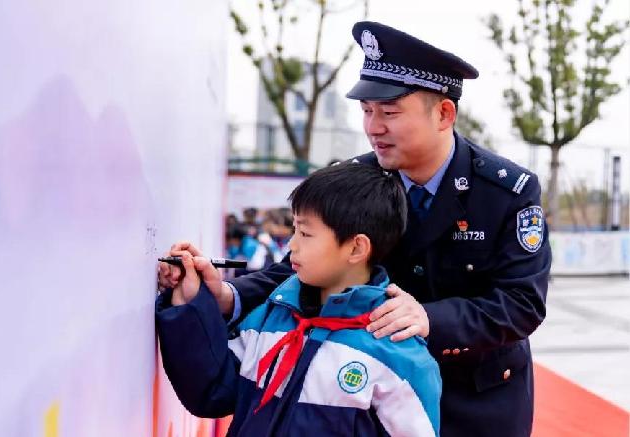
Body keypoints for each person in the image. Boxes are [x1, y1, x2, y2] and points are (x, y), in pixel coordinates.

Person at [159, 21, 551, 437]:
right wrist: (229, 296)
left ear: (444, 113)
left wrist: (429, 318)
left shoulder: (504, 192)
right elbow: (302, 265)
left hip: (475, 403)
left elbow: (521, 301)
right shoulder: (359, 180)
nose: (373, 127)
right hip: (362, 396)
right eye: (367, 111)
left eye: (390, 112)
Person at [156, 163, 441, 436]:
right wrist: (190, 301)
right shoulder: (273, 317)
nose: (291, 245)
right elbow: (213, 391)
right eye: (294, 229)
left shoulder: (397, 353)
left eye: (305, 233)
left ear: (356, 248)